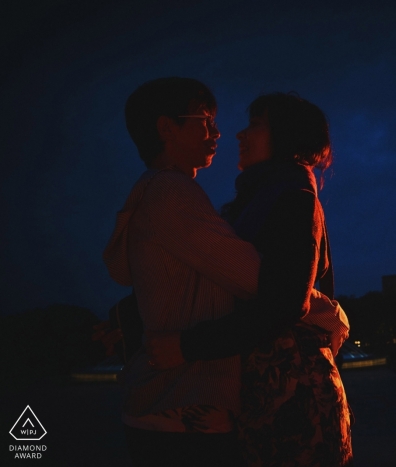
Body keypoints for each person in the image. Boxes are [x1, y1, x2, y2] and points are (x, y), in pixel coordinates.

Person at [147, 93, 353, 466]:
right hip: (269, 391)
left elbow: (288, 301)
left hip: (293, 397)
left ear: (286, 136)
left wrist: (187, 346)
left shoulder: (294, 196)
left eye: (255, 125)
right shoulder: (262, 195)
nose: (239, 135)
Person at [103, 77, 260, 466]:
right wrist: (330, 313)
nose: (217, 133)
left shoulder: (147, 191)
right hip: (186, 407)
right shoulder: (173, 193)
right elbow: (258, 279)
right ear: (166, 128)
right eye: (204, 119)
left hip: (157, 405)